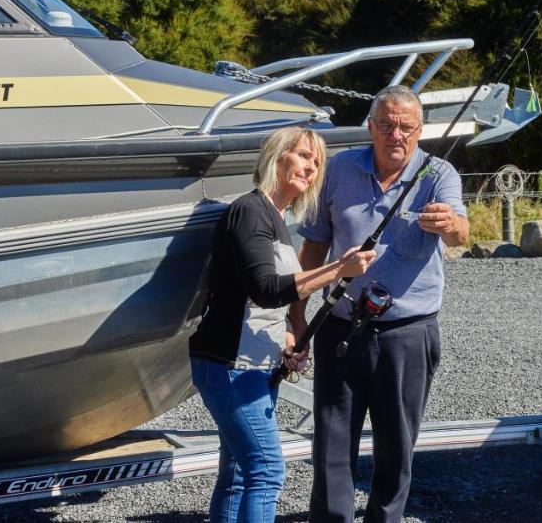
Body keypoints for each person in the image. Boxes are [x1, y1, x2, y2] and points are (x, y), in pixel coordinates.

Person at [298, 85, 470, 523]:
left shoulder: (439, 173)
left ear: (419, 130)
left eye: (406, 127)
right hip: (340, 326)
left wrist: (450, 224)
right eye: (387, 125)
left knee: (397, 445)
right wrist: (296, 318)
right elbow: (314, 245)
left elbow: (459, 233)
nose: (397, 135)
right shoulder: (338, 170)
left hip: (408, 332)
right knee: (332, 443)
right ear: (371, 127)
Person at [190, 126, 375, 523]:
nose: (311, 167)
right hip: (229, 365)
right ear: (278, 156)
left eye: (317, 162)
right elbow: (266, 290)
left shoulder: (274, 217)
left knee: (239, 474)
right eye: (304, 156)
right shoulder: (249, 211)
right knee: (267, 471)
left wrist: (289, 336)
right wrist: (340, 268)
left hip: (254, 366)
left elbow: (268, 303)